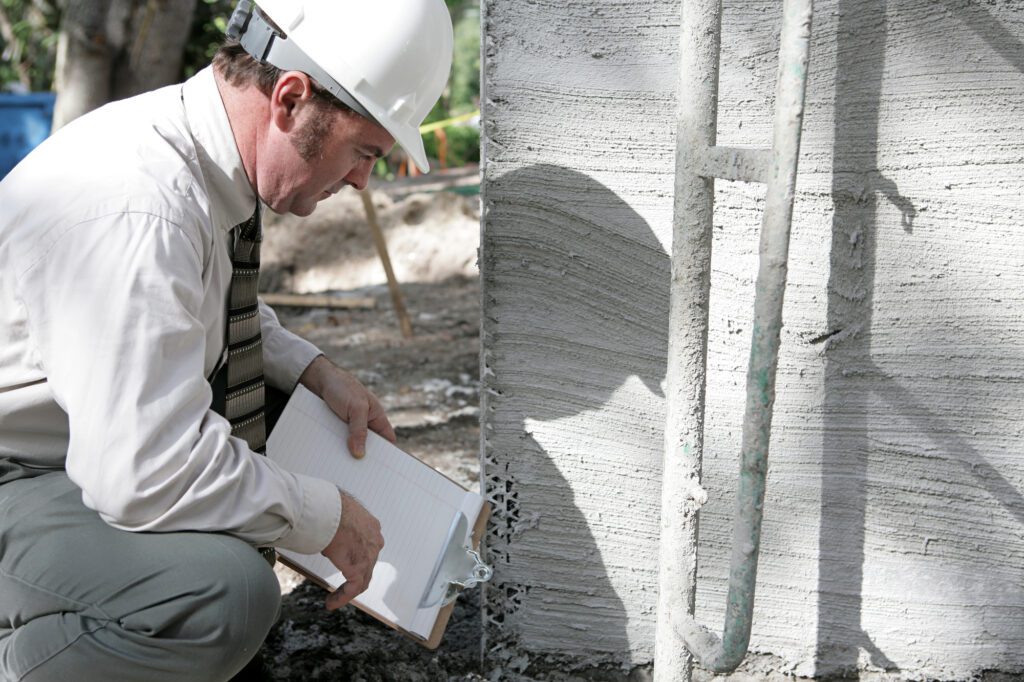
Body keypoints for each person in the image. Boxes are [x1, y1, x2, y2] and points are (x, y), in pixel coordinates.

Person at [0, 0, 453, 679]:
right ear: (292, 99)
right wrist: (322, 516)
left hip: (65, 442)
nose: (362, 181)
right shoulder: (139, 206)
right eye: (364, 151)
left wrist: (310, 368)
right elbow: (144, 473)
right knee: (219, 594)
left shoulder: (194, 156)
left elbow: (186, 304)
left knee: (283, 414)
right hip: (19, 469)